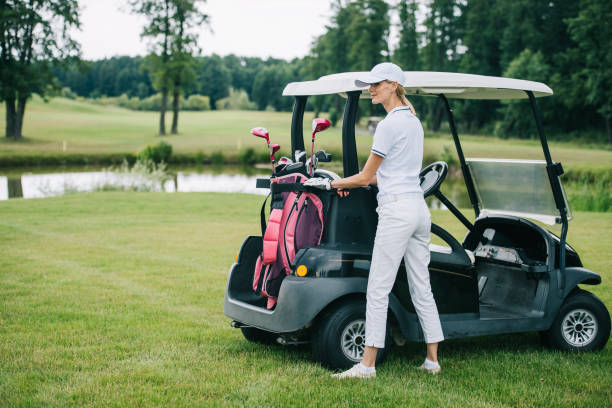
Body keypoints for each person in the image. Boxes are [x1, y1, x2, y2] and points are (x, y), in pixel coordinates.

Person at [304, 62, 444, 379]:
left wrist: (330, 184)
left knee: (378, 289)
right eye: (370, 84)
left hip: (397, 212)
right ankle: (432, 360)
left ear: (393, 84)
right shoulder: (414, 122)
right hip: (419, 210)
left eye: (376, 84)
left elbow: (368, 176)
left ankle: (367, 366)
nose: (371, 89)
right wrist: (346, 184)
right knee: (422, 287)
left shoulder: (387, 125)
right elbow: (384, 177)